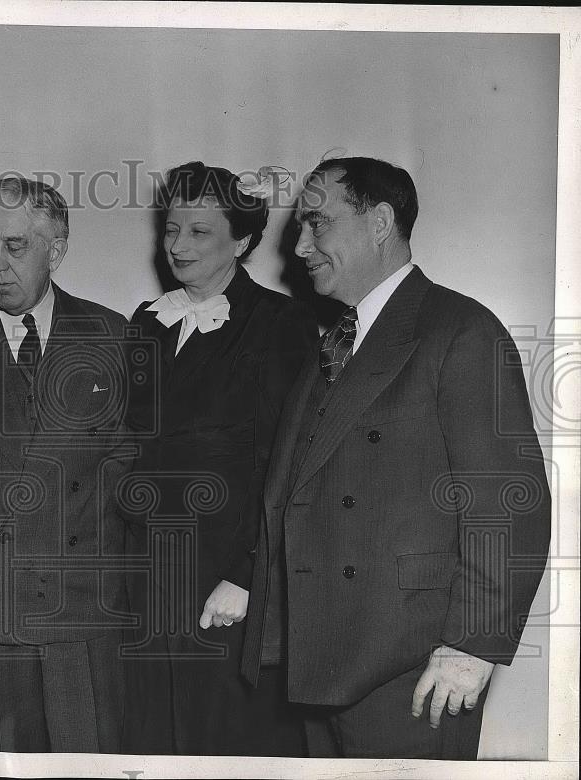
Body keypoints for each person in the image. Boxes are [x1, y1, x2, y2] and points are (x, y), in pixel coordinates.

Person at [240, 157, 551, 759]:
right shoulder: (333, 339)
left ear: (379, 222)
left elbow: (509, 503)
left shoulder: (461, 329)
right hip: (321, 657)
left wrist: (473, 647)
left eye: (317, 223)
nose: (301, 245)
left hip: (415, 669)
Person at [0, 177, 132, 752]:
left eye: (16, 248)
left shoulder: (113, 337)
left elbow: (127, 472)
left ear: (56, 249)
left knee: (90, 762)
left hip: (82, 609)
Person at [120, 161, 317, 755]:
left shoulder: (281, 324)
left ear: (244, 240)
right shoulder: (149, 323)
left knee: (222, 740)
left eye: (200, 231)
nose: (177, 245)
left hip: (224, 581)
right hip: (147, 573)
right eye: (171, 228)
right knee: (153, 736)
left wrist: (247, 575)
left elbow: (283, 463)